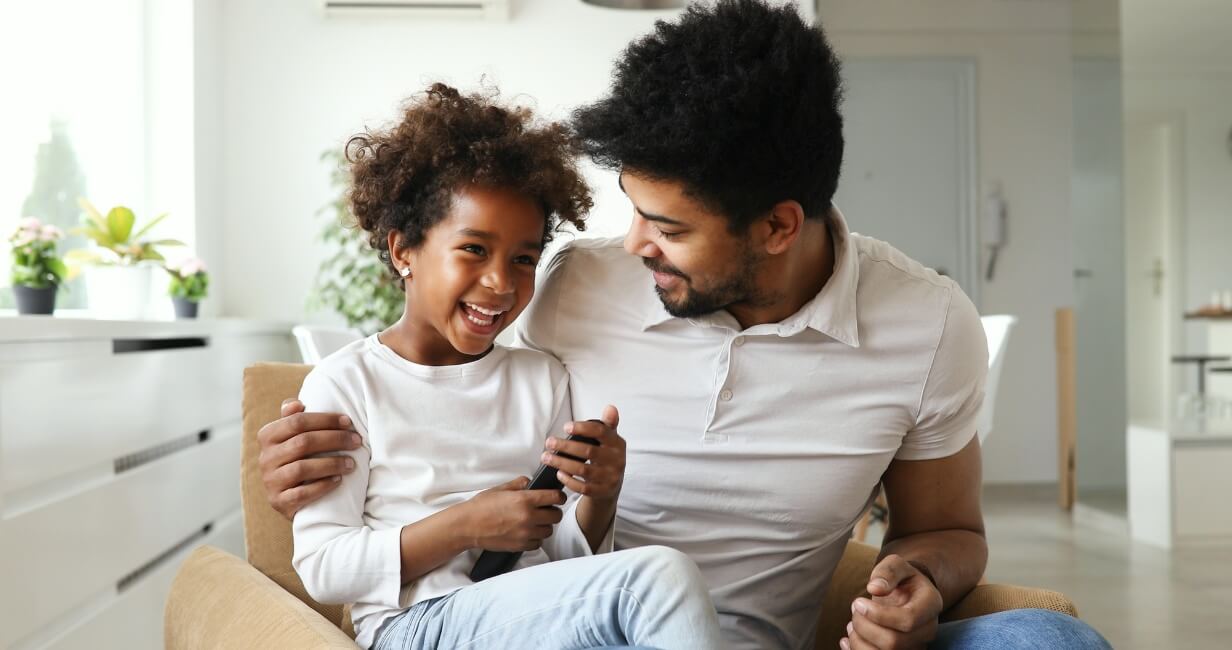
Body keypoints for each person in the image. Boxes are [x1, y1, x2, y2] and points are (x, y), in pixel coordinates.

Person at [262, 3, 1112, 649]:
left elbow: (950, 532)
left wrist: (915, 579)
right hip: (588, 630)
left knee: (1050, 640)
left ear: (778, 227)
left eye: (668, 229)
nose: (632, 245)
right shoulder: (574, 287)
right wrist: (309, 441)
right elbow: (448, 368)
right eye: (633, 211)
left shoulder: (928, 328)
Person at [289, 82, 721, 650]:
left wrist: (601, 495)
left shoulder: (541, 377)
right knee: (657, 581)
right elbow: (323, 567)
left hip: (530, 621)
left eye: (523, 259)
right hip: (416, 626)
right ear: (403, 251)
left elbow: (559, 554)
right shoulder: (347, 384)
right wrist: (466, 526)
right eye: (473, 249)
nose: (501, 282)